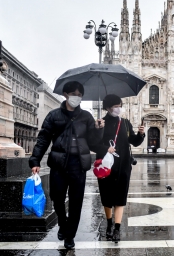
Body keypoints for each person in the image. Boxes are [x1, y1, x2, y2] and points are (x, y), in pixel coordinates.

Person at [29, 81, 104, 249]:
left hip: (78, 164)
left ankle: (70, 235)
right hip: (58, 164)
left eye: (79, 95)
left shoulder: (86, 117)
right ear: (65, 94)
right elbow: (43, 139)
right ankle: (62, 224)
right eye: (73, 94)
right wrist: (35, 160)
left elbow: (93, 143)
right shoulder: (54, 115)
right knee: (57, 198)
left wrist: (98, 129)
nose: (76, 98)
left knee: (76, 202)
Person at [90, 94, 145, 243]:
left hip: (123, 165)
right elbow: (93, 144)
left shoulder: (125, 123)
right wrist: (104, 148)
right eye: (115, 106)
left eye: (119, 105)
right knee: (107, 197)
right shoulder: (101, 123)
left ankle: (117, 229)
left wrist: (141, 134)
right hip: (106, 166)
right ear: (108, 108)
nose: (118, 108)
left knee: (120, 197)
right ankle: (109, 224)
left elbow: (134, 142)